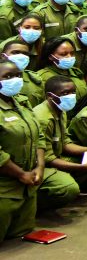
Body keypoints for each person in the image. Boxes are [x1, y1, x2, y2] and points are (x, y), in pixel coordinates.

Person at [32, 76, 87, 205]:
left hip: (57, 156)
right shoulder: (44, 119)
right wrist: (83, 167)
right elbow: (49, 159)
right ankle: (34, 201)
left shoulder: (61, 109)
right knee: (69, 188)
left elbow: (65, 143)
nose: (70, 96)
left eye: (72, 92)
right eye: (65, 93)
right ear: (50, 96)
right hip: (40, 165)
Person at [0, 59, 45, 244]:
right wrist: (20, 174)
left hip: (27, 186)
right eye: (7, 76)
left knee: (21, 236)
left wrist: (40, 166)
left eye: (18, 75)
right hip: (5, 187)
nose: (15, 80)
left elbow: (39, 136)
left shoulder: (22, 103)